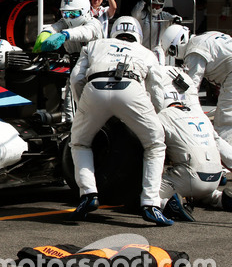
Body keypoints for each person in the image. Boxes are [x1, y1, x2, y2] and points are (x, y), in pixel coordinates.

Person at [69, 16, 172, 225]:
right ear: (138, 35)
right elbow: (157, 90)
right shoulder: (147, 53)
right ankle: (150, 203)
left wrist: (84, 108)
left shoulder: (95, 44)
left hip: (94, 87)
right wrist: (156, 114)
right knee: (155, 144)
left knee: (79, 143)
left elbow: (76, 79)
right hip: (130, 87)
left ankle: (88, 194)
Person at [146, 65, 232, 216]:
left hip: (186, 178)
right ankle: (221, 199)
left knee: (146, 193)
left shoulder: (162, 116)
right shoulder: (202, 117)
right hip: (214, 179)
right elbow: (221, 146)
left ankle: (167, 204)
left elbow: (152, 150)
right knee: (205, 193)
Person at [36, 0, 103, 122]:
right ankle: (70, 126)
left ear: (84, 10)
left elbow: (85, 32)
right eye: (65, 13)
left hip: (94, 68)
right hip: (75, 65)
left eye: (73, 13)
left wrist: (65, 35)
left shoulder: (94, 24)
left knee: (91, 103)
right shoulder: (66, 21)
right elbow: (56, 26)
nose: (68, 17)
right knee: (70, 99)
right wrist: (45, 33)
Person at [161, 25, 232, 145]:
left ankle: (226, 157)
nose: (174, 56)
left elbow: (191, 87)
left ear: (179, 42)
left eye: (172, 51)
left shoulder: (194, 50)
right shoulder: (206, 35)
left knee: (225, 119)